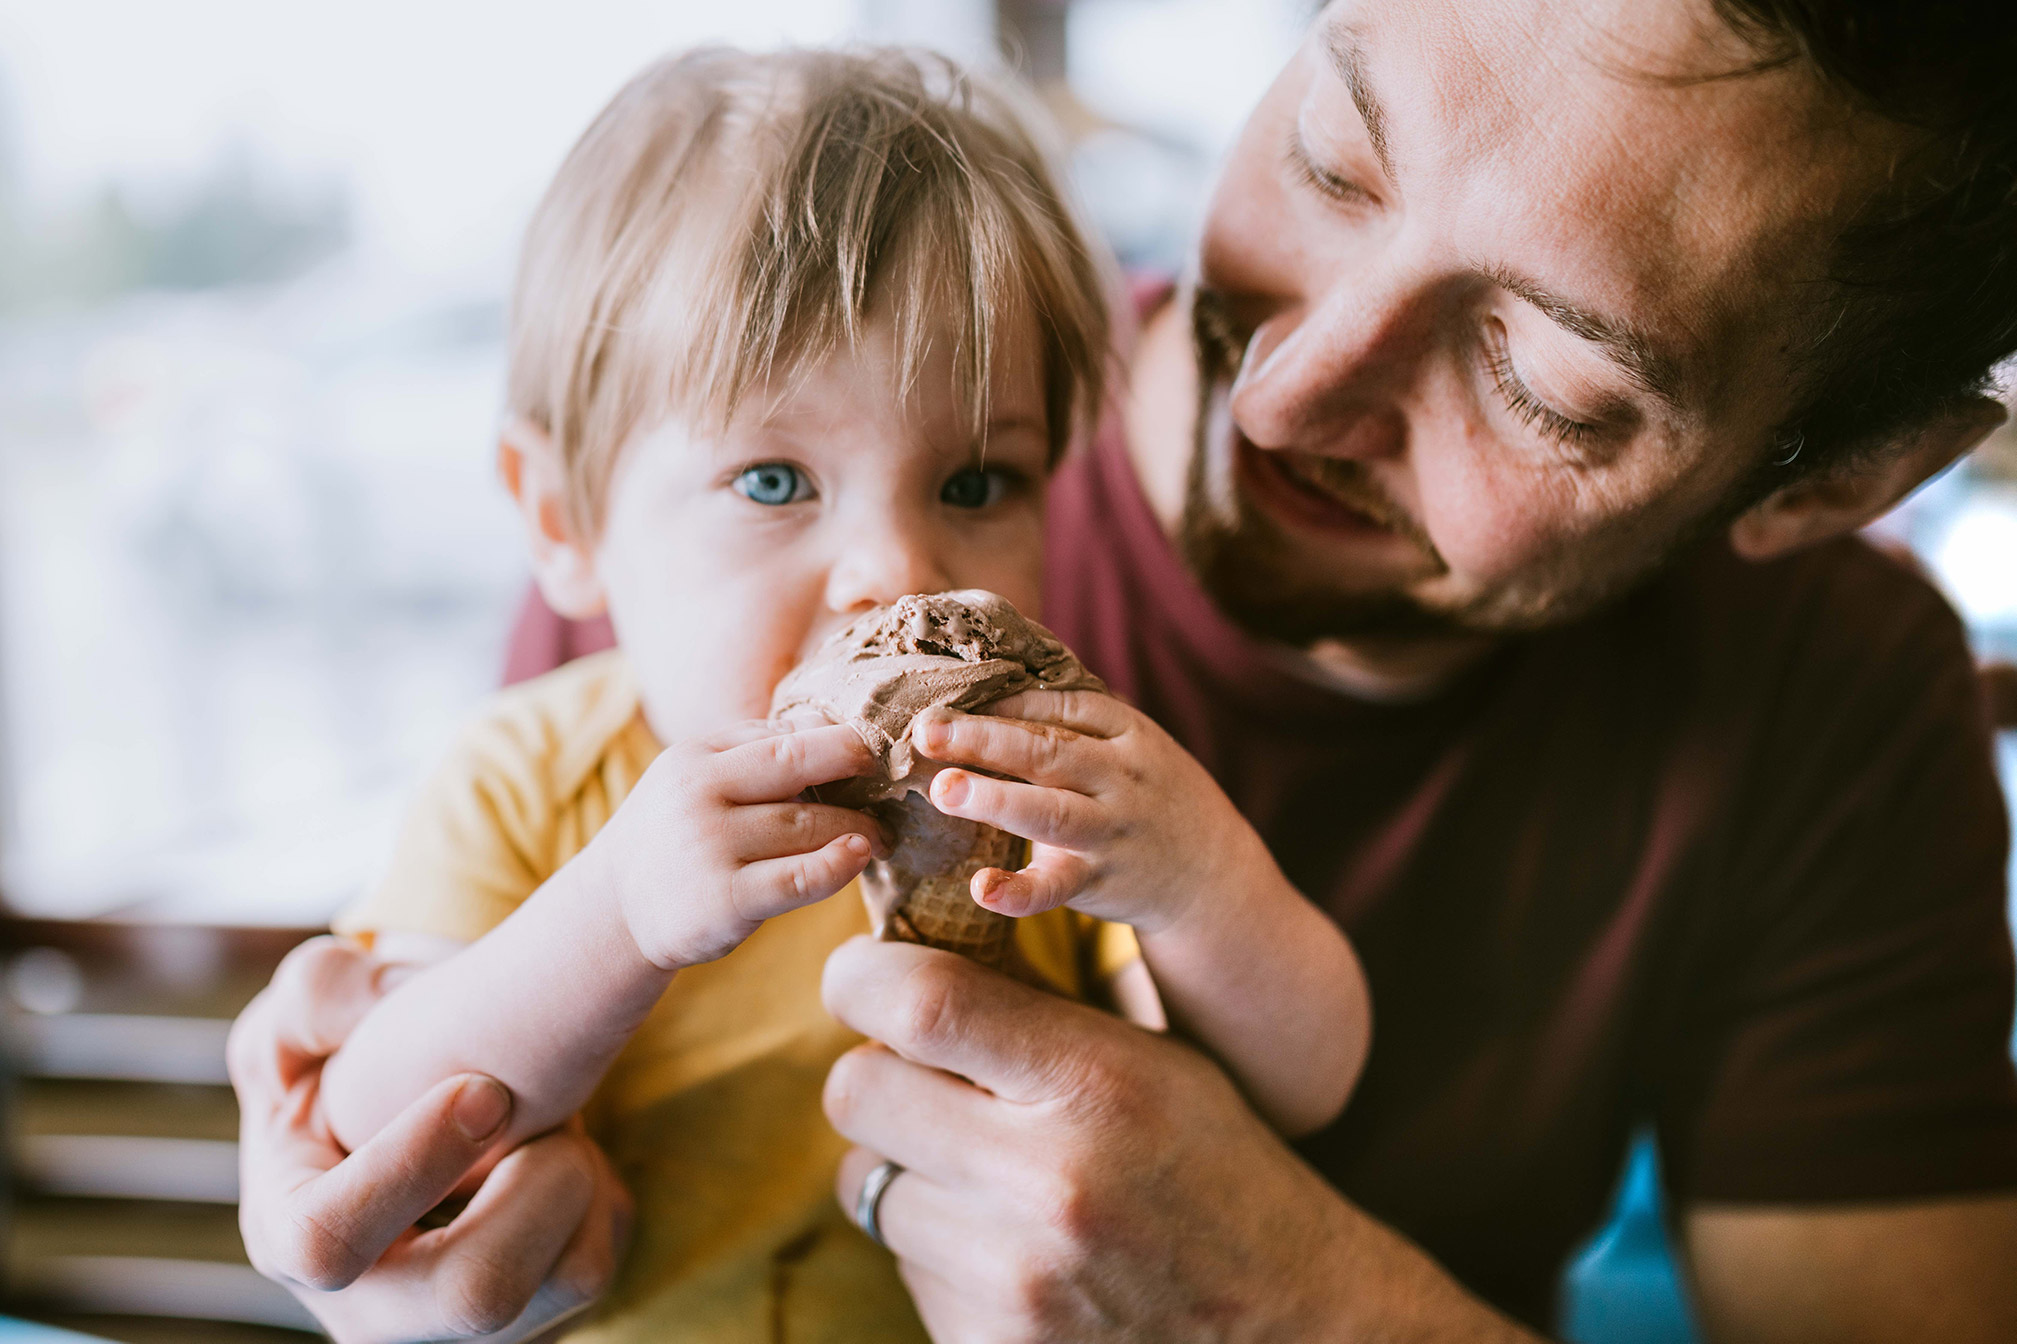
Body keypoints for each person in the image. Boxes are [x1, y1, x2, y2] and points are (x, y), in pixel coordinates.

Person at [231, 0, 2017, 1339]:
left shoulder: (1056, 769)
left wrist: (1300, 1292)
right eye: (1333, 158)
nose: (1284, 395)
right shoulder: (661, 614)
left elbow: (1307, 1056)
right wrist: (392, 1215)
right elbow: (428, 1131)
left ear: (1845, 480)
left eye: (1542, 378)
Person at [263, 44, 1369, 1343]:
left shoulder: (1036, 789)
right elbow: (374, 1124)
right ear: (562, 519)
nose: (896, 572)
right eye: (775, 482)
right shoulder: (528, 775)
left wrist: (1194, 880)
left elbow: (1308, 1083)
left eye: (975, 485)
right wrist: (620, 915)